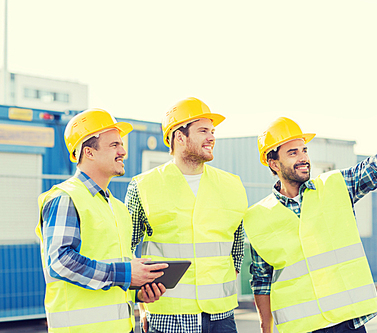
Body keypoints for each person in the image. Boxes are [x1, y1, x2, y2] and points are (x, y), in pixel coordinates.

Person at [243, 99, 377, 333]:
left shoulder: (336, 186)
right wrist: (265, 329)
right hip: (300, 327)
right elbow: (262, 282)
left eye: (304, 150)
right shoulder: (257, 217)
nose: (303, 158)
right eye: (293, 152)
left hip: (347, 323)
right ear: (273, 162)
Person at [35, 108, 168, 333]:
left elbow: (113, 271)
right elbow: (59, 261)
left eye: (121, 144)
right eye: (114, 145)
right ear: (89, 152)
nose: (123, 151)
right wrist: (126, 273)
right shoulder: (65, 198)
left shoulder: (117, 208)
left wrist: (137, 290)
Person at [125, 97, 248, 333]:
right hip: (168, 317)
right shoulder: (143, 186)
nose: (212, 137)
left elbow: (238, 245)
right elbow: (123, 246)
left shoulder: (232, 184)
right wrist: (138, 292)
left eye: (212, 131)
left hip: (221, 317)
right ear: (179, 137)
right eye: (203, 130)